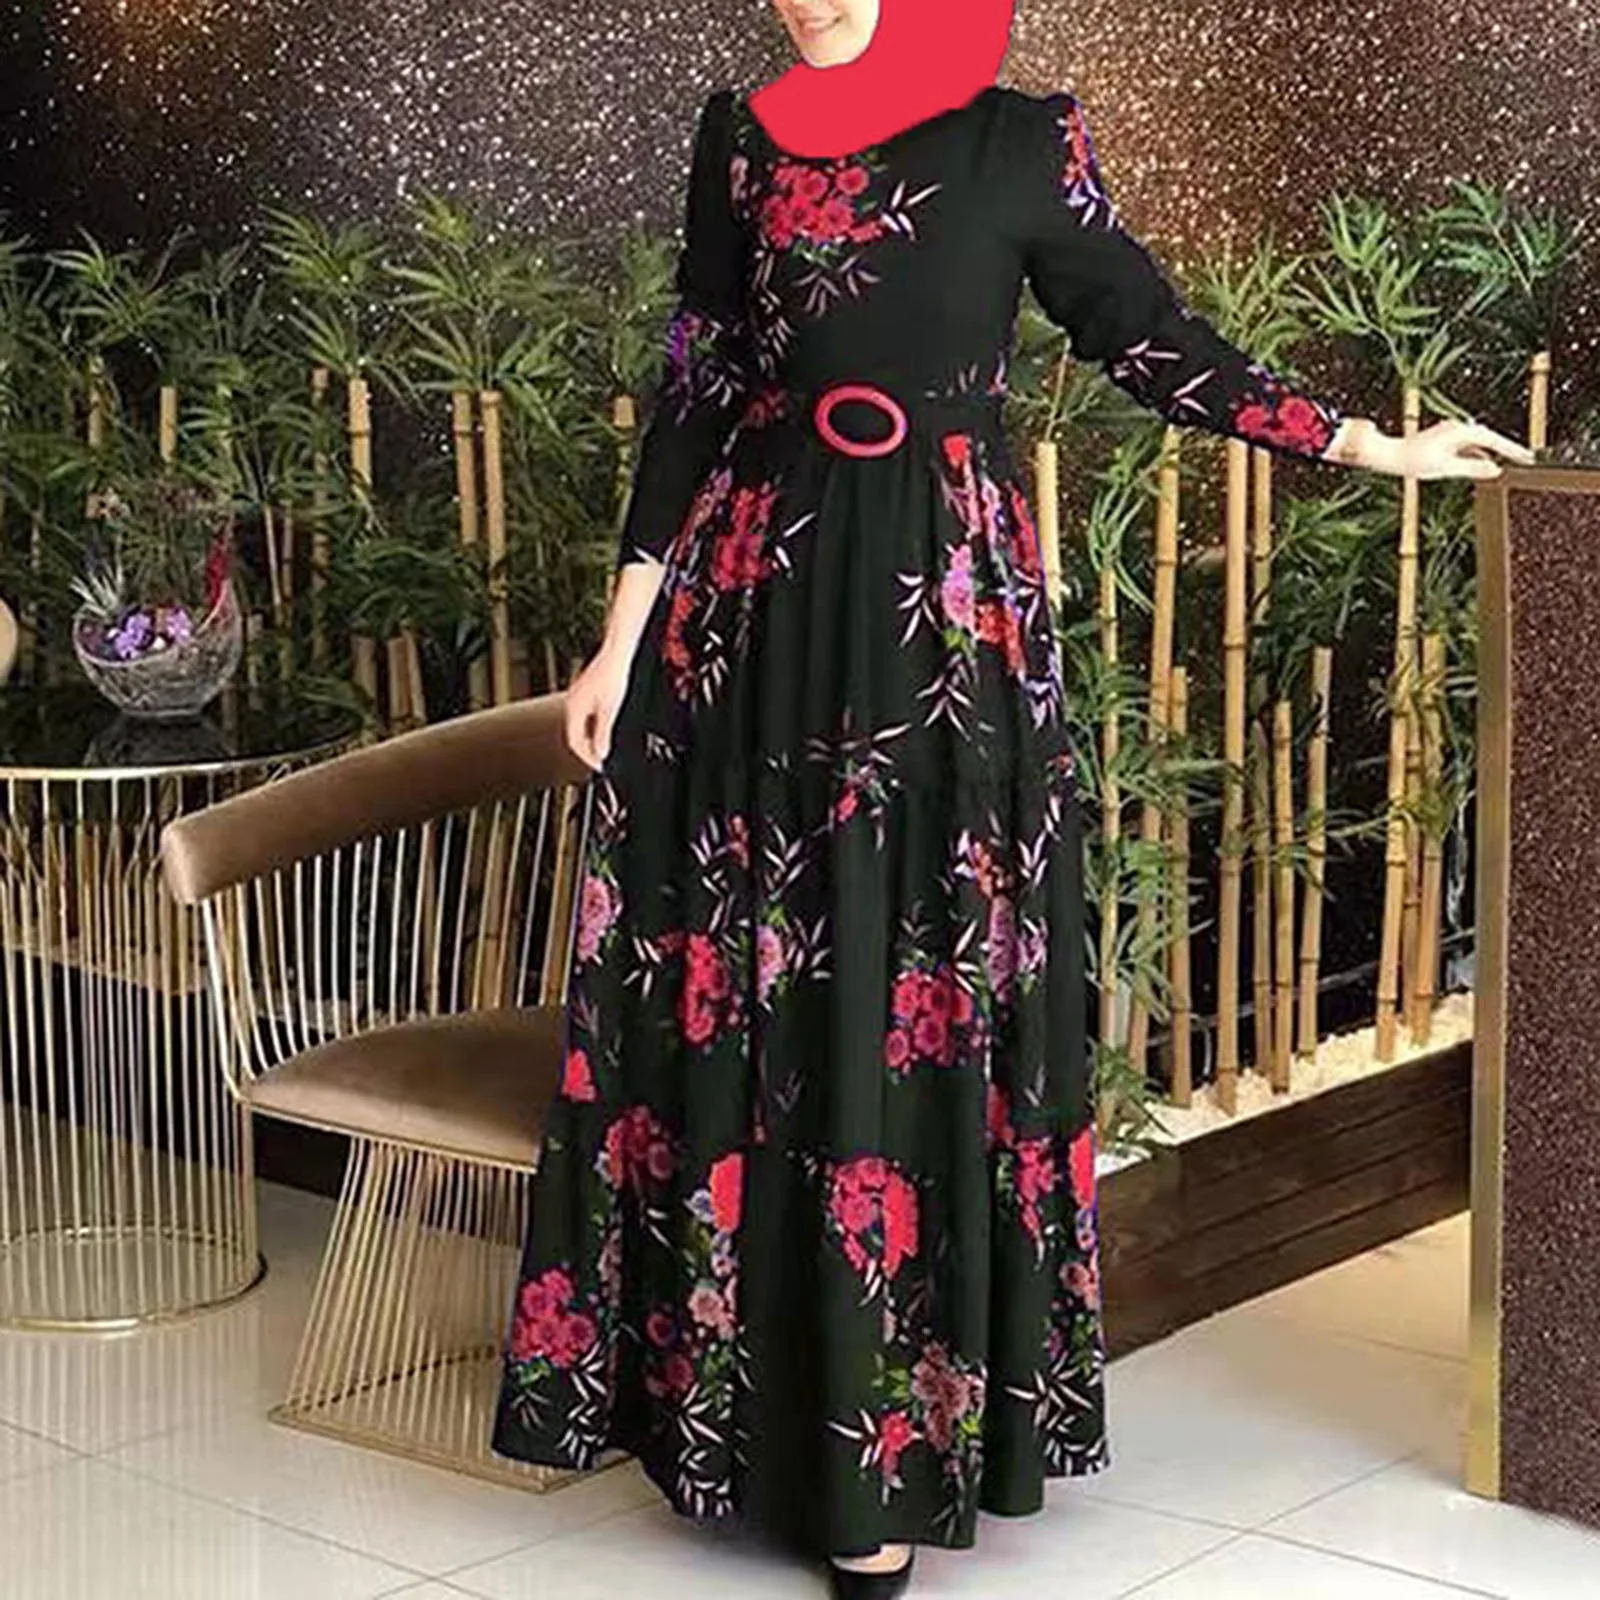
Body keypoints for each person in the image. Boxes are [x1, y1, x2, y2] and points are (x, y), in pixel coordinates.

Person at [492, 3, 1530, 1594]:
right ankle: (753, 1422)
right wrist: (620, 644)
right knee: (771, 999)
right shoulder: (741, 139)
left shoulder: (1019, 136)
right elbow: (696, 388)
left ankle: (896, 1448)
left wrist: (1368, 445)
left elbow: (1148, 334)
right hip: (757, 618)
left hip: (944, 618)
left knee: (919, 990)